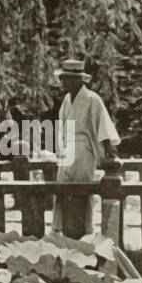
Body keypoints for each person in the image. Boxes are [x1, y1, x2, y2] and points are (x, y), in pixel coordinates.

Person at [51, 58, 120, 236]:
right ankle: (63, 228)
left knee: (82, 188)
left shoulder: (92, 99)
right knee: (63, 188)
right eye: (63, 78)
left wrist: (108, 149)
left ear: (78, 80)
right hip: (67, 148)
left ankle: (84, 229)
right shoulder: (67, 99)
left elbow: (102, 124)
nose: (63, 83)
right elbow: (62, 125)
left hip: (83, 148)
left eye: (67, 79)